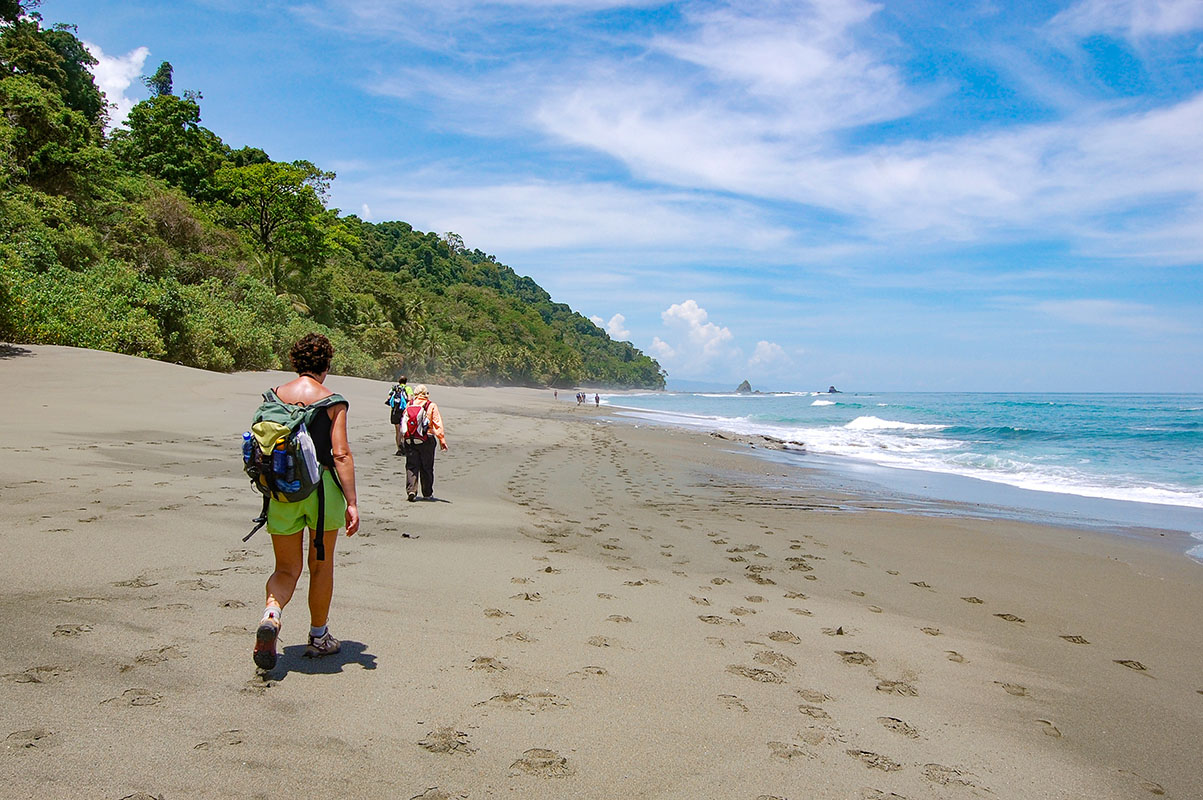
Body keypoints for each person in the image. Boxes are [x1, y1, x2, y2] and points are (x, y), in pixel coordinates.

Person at [253, 333, 359, 671]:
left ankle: (272, 614)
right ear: (326, 365)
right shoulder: (333, 402)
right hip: (322, 493)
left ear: (296, 363)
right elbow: (340, 453)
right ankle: (318, 637)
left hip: (283, 491)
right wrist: (352, 502)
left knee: (285, 569)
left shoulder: (275, 396)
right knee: (320, 566)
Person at [403, 384, 448, 501]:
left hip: (411, 439)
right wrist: (442, 439)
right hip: (427, 438)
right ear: (426, 394)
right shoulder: (431, 405)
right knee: (427, 466)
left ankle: (411, 490)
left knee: (412, 465)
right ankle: (427, 493)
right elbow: (437, 423)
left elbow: (404, 420)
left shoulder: (409, 404)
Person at [386, 373, 410, 456]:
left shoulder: (394, 388)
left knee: (397, 431)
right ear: (406, 382)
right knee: (404, 430)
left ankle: (399, 449)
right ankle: (404, 446)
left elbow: (389, 398)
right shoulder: (407, 388)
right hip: (403, 411)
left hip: (395, 411)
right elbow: (409, 399)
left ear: (399, 381)